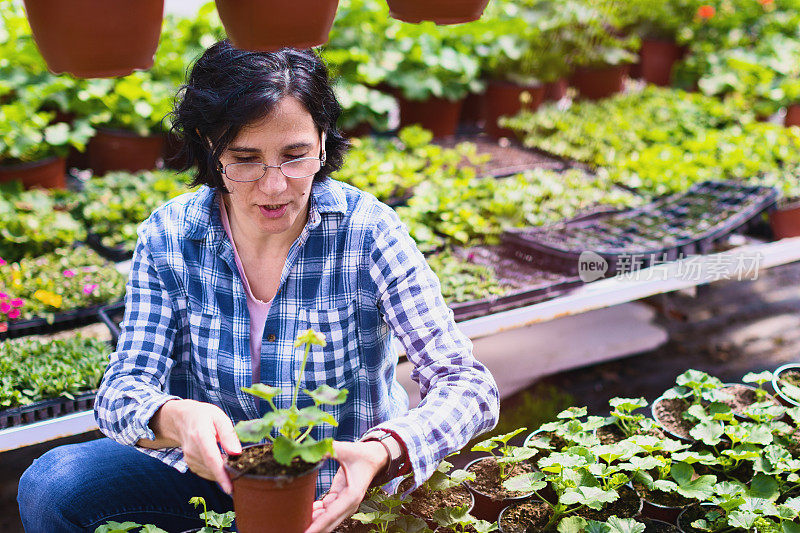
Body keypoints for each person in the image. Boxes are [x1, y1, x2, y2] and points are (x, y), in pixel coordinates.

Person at [17, 40, 499, 533]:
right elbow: (122, 390)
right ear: (209, 146)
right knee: (53, 485)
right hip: (216, 478)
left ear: (324, 143)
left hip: (339, 488)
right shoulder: (171, 236)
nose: (274, 186)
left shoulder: (368, 233)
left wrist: (381, 451)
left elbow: (469, 385)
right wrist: (175, 418)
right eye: (245, 160)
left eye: (295, 156)